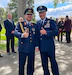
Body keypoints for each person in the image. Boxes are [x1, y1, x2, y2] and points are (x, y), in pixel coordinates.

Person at [14, 8, 39, 75]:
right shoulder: (20, 24)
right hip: (22, 49)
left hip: (31, 49)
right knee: (21, 66)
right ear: (25, 15)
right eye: (28, 14)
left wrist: (36, 46)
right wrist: (22, 35)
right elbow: (15, 32)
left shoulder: (34, 25)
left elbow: (36, 37)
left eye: (31, 15)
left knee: (31, 66)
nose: (29, 16)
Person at [36, 6, 59, 75]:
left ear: (45, 12)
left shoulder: (51, 21)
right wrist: (37, 45)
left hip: (50, 47)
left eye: (42, 12)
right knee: (44, 64)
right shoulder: (38, 23)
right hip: (42, 48)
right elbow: (37, 36)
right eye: (40, 13)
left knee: (53, 63)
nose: (41, 14)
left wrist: (46, 32)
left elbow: (56, 32)